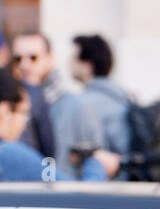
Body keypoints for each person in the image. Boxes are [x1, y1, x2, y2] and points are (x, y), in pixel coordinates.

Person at [0, 70, 114, 180]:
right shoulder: (8, 154)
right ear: (4, 112)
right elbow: (77, 197)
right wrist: (97, 166)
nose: (24, 125)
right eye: (24, 113)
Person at [12, 31, 97, 170]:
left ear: (50, 58)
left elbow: (94, 157)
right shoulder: (12, 107)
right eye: (18, 58)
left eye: (33, 57)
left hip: (65, 188)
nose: (24, 65)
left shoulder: (75, 105)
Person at [70, 34, 132, 162]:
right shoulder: (121, 95)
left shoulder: (85, 103)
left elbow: (92, 154)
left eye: (74, 57)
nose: (69, 63)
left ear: (88, 64)